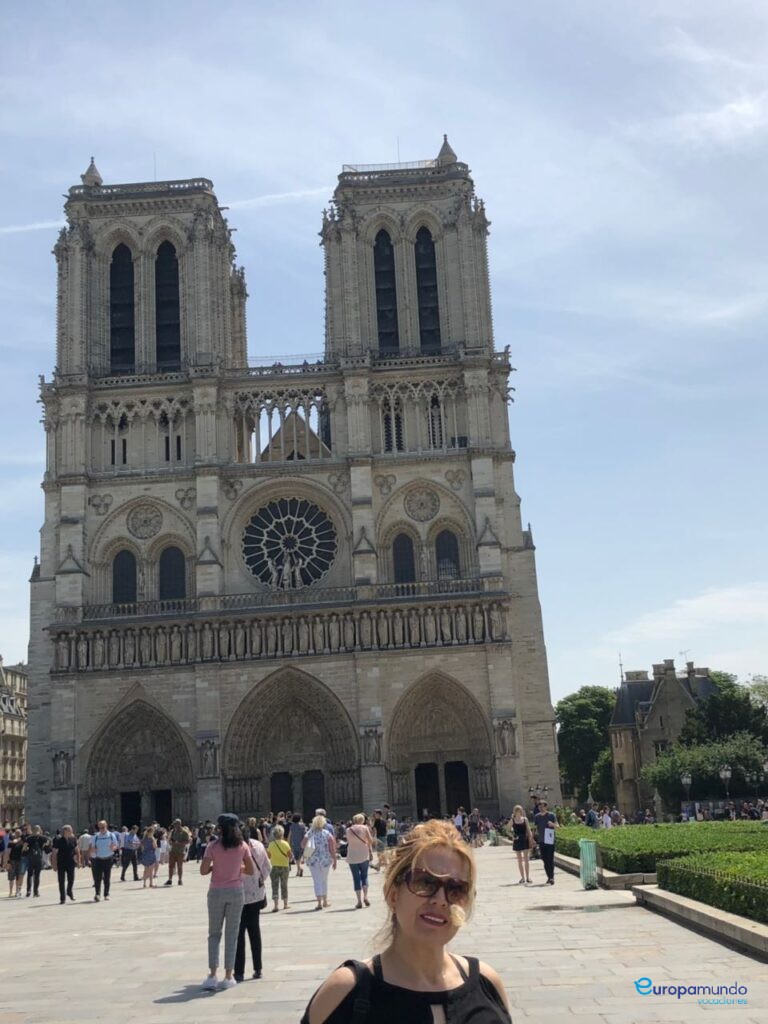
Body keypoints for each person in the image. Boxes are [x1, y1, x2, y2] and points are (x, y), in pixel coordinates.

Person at [301, 818, 511, 1023]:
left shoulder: (487, 984)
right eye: (424, 882)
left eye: (456, 889)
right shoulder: (344, 993)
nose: (440, 900)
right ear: (393, 894)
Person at [200, 813, 254, 991]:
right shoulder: (243, 846)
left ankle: (212, 975)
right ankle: (229, 976)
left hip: (216, 892)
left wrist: (216, 866)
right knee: (232, 934)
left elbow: (203, 870)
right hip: (236, 892)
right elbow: (251, 870)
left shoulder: (212, 846)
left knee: (214, 934)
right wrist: (237, 867)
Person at [234, 822, 271, 983]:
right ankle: (258, 968)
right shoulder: (258, 846)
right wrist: (257, 880)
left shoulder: (235, 849)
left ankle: (239, 972)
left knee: (238, 933)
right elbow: (268, 868)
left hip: (237, 894)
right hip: (256, 895)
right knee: (255, 931)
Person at [302, 813, 337, 910]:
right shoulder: (327, 833)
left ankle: (319, 903)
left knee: (316, 881)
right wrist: (334, 860)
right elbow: (332, 848)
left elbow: (302, 844)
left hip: (313, 860)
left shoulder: (310, 833)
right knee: (324, 880)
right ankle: (325, 901)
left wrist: (310, 847)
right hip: (325, 860)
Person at [345, 813, 374, 909]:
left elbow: (349, 842)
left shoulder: (348, 830)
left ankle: (359, 901)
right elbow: (370, 841)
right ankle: (365, 896)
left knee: (356, 878)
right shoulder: (365, 828)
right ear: (362, 820)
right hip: (363, 855)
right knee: (364, 876)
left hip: (352, 856)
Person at [90, 820, 119, 901]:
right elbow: (92, 848)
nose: (102, 828)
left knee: (107, 877)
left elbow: (116, 845)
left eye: (103, 827)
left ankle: (106, 894)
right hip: (98, 859)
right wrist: (92, 851)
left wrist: (113, 847)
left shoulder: (111, 835)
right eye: (100, 827)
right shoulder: (95, 836)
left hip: (108, 858)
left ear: (106, 826)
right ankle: (97, 894)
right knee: (97, 878)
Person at [266, 824, 292, 912]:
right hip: (284, 866)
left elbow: (268, 856)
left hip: (274, 867)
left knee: (274, 885)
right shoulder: (286, 844)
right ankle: (285, 904)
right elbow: (290, 856)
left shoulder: (271, 844)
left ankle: (276, 905)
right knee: (284, 885)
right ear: (282, 834)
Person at [51, 824, 80, 903]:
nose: (72, 831)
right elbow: (54, 853)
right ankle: (62, 898)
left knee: (71, 879)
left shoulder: (73, 839)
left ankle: (69, 891)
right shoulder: (58, 840)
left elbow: (77, 850)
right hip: (61, 863)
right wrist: (54, 864)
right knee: (61, 881)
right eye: (70, 830)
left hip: (71, 862)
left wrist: (79, 861)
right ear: (65, 831)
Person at [533, 800, 559, 885]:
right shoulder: (537, 817)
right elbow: (535, 829)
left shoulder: (551, 815)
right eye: (539, 807)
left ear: (546, 806)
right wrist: (533, 839)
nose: (540, 808)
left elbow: (558, 827)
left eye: (542, 806)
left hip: (550, 840)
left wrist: (553, 824)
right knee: (544, 859)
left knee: (550, 859)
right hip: (541, 841)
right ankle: (549, 876)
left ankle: (551, 877)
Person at [510, 805, 533, 885]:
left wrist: (531, 839)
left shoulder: (525, 819)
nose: (519, 812)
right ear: (515, 812)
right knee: (519, 860)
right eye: (517, 811)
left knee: (526, 859)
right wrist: (512, 836)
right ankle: (522, 878)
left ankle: (528, 877)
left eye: (520, 811)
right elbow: (507, 829)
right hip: (517, 840)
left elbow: (529, 830)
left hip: (524, 839)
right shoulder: (512, 820)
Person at [23, 825, 49, 897]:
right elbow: (48, 843)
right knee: (37, 875)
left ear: (32, 830)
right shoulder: (43, 838)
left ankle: (28, 891)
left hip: (31, 858)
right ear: (40, 830)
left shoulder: (29, 838)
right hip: (38, 859)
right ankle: (36, 892)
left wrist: (26, 851)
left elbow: (24, 848)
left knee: (30, 874)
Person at [165, 818, 191, 886]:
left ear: (179, 824)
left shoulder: (184, 832)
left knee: (180, 866)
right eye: (174, 824)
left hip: (180, 851)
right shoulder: (173, 831)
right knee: (171, 866)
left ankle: (180, 880)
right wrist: (171, 842)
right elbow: (170, 839)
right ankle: (170, 879)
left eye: (176, 824)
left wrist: (178, 842)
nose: (175, 825)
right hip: (173, 851)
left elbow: (188, 841)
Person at [6, 828, 24, 898]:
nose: (17, 834)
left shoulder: (22, 842)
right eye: (17, 833)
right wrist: (8, 862)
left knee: (18, 877)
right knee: (11, 877)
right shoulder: (11, 843)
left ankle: (16, 891)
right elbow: (8, 853)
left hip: (20, 861)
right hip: (12, 861)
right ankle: (11, 891)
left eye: (19, 833)